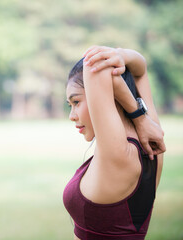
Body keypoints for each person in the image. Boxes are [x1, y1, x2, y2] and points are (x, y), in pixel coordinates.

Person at [63, 46, 166, 240]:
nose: (72, 116)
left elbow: (96, 65)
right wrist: (141, 118)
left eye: (76, 102)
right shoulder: (152, 142)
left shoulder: (117, 154)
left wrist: (118, 55)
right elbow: (140, 70)